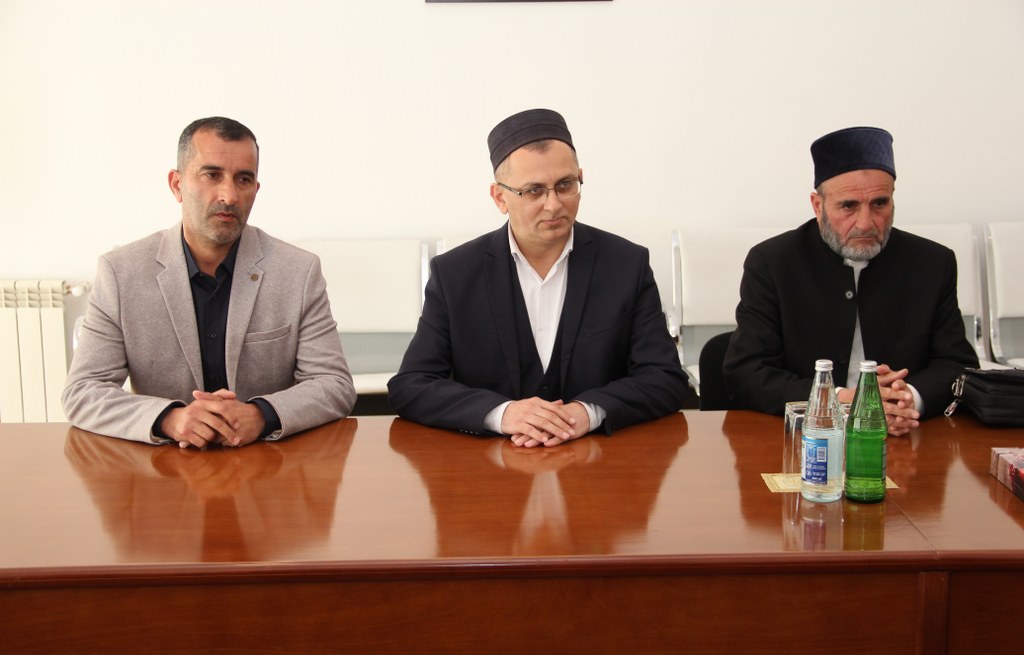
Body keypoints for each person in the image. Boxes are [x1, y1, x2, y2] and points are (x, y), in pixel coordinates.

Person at [388, 108, 688, 447]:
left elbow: (665, 377)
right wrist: (502, 414)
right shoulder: (455, 274)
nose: (553, 204)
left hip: (599, 459)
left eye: (565, 185)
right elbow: (411, 385)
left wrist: (588, 412)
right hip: (490, 466)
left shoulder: (626, 264)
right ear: (500, 197)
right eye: (533, 191)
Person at [63, 116, 355, 447]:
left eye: (243, 179)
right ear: (176, 185)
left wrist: (261, 415)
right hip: (165, 464)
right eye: (212, 175)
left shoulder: (298, 271)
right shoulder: (121, 272)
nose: (229, 195)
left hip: (266, 462)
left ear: (255, 190)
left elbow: (333, 384)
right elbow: (83, 391)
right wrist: (169, 419)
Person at [723, 126, 979, 435]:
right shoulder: (773, 262)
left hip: (905, 438)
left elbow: (957, 364)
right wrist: (841, 400)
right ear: (818, 206)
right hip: (803, 440)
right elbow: (747, 372)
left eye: (879, 204)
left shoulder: (932, 263)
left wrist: (908, 398)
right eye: (849, 206)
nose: (866, 223)